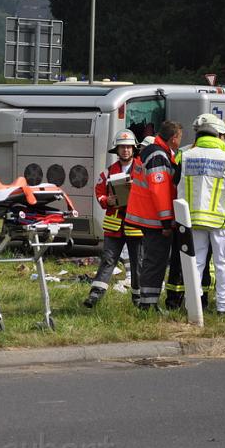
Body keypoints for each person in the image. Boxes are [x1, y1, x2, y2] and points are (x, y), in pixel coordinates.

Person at [176, 114, 225, 314]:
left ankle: (193, 305)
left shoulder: (184, 155)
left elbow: (175, 183)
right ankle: (224, 307)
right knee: (222, 264)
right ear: (219, 135)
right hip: (220, 221)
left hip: (192, 219)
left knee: (196, 263)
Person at [124, 122, 182, 311]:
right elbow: (160, 191)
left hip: (146, 215)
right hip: (155, 219)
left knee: (152, 260)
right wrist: (166, 222)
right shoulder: (158, 155)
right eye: (179, 137)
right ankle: (148, 305)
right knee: (155, 262)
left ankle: (147, 302)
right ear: (174, 138)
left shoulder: (154, 151)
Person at [84, 129, 142, 308]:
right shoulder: (108, 173)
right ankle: (95, 295)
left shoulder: (142, 169)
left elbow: (149, 191)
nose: (125, 150)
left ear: (134, 149)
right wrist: (106, 200)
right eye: (122, 147)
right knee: (108, 260)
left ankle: (138, 299)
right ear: (117, 150)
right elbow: (99, 192)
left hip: (135, 224)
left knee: (137, 263)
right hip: (114, 225)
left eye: (128, 147)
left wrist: (137, 189)